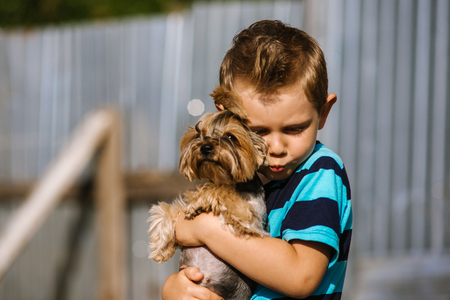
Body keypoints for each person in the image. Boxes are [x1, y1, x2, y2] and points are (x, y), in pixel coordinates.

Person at [161, 20, 352, 300]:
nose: (276, 147)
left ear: (323, 112)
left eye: (295, 128)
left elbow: (300, 276)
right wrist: (174, 289)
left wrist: (204, 227)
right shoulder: (245, 177)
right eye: (259, 131)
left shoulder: (320, 173)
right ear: (227, 118)